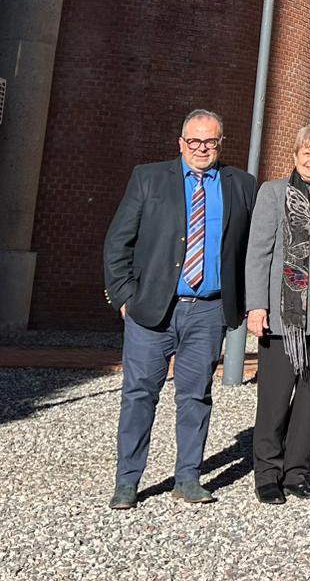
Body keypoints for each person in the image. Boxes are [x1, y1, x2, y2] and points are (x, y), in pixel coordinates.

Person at [102, 109, 259, 509]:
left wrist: (244, 302)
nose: (202, 148)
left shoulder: (242, 185)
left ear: (221, 143)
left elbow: (249, 249)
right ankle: (127, 481)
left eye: (210, 141)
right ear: (181, 143)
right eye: (194, 141)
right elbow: (118, 242)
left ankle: (188, 478)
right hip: (152, 309)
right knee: (139, 394)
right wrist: (124, 297)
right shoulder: (149, 178)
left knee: (196, 396)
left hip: (208, 311)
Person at [244, 121, 310, 504]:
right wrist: (256, 306)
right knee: (275, 395)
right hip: (285, 307)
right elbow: (258, 252)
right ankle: (267, 474)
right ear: (295, 155)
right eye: (307, 152)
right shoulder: (273, 193)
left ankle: (296, 473)